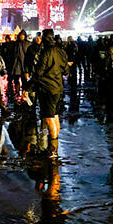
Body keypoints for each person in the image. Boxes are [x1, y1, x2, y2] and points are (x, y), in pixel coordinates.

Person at [33, 29, 69, 158]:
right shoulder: (61, 51)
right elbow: (66, 71)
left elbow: (39, 72)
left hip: (47, 89)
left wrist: (30, 85)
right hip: (58, 88)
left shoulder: (46, 52)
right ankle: (54, 147)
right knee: (55, 116)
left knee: (49, 117)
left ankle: (53, 150)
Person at [7, 31, 31, 105]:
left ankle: (24, 94)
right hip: (16, 64)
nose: (22, 36)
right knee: (16, 79)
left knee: (24, 81)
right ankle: (17, 93)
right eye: (21, 35)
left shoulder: (28, 44)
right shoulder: (15, 44)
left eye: (23, 35)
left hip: (24, 64)